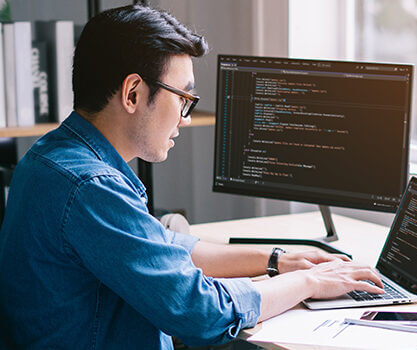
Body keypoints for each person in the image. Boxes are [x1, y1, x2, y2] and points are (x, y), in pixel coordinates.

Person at [0, 5, 384, 349]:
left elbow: (167, 246)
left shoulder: (50, 156)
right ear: (132, 93)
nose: (185, 117)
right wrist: (313, 283)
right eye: (183, 98)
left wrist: (277, 260)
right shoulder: (92, 187)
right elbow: (202, 313)